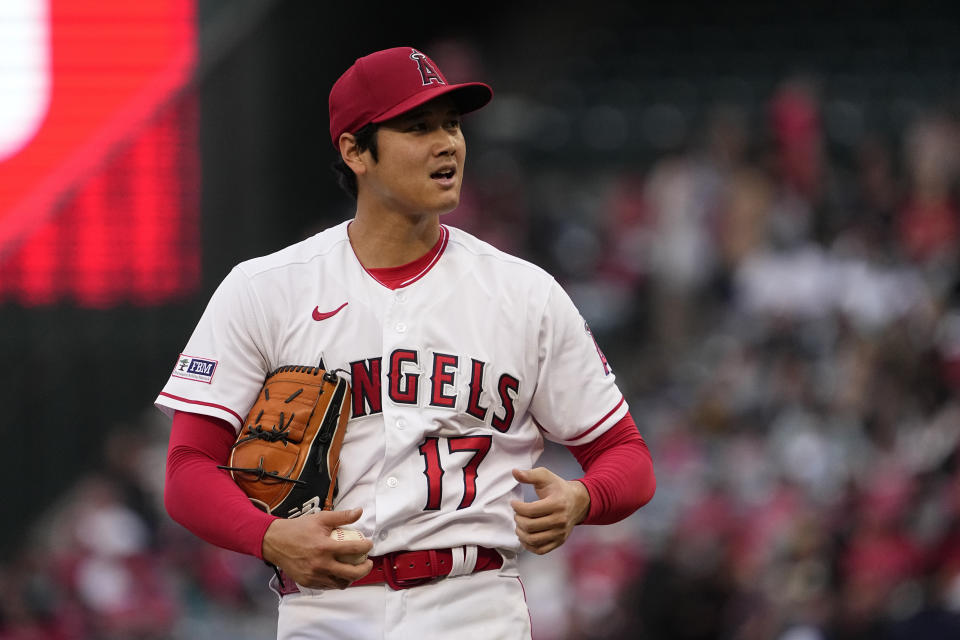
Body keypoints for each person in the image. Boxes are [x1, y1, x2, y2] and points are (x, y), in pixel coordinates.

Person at [157, 46, 656, 640]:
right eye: (417, 127)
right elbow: (188, 468)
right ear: (354, 150)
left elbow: (628, 458)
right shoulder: (267, 289)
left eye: (451, 125)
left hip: (473, 605)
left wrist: (581, 498)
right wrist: (267, 536)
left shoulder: (525, 293)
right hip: (326, 610)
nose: (447, 143)